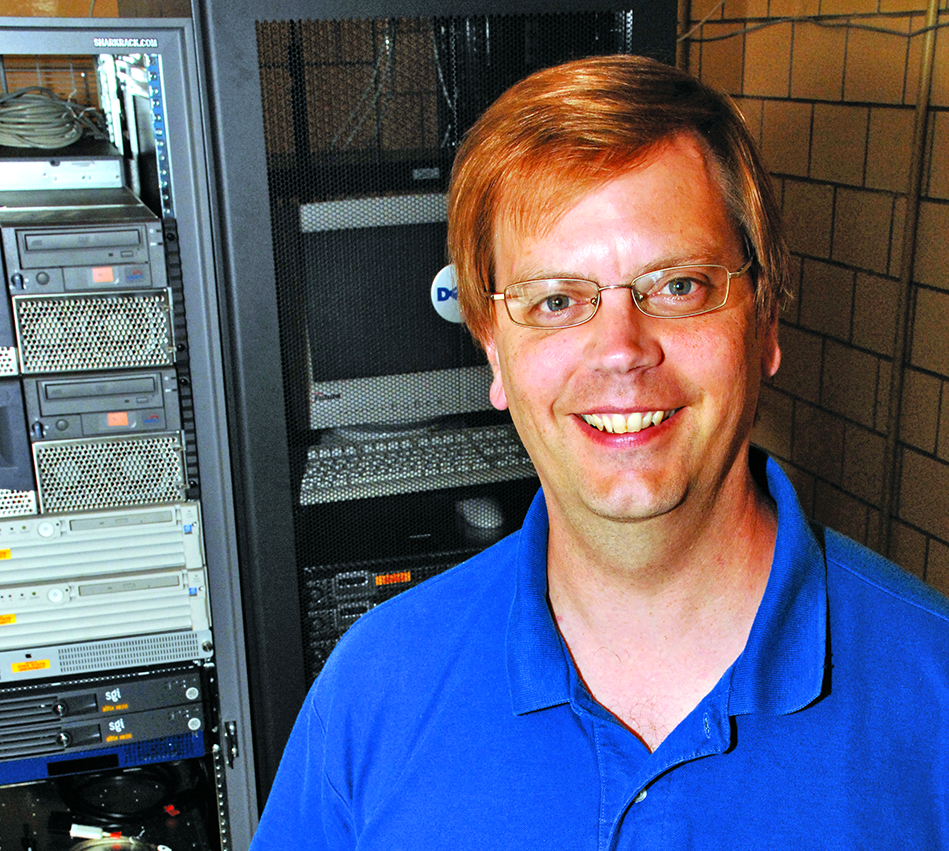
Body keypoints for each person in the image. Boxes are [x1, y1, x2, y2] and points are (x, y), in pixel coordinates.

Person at [251, 56, 949, 849]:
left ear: (766, 320)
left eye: (677, 285)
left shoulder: (934, 699)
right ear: (493, 352)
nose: (619, 351)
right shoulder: (374, 689)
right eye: (555, 300)